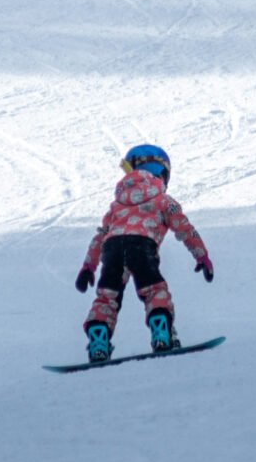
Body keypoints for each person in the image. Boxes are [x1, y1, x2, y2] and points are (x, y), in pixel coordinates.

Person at [76, 143, 213, 364]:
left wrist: (88, 267)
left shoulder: (116, 206)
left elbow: (100, 236)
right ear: (161, 173)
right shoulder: (163, 200)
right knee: (153, 290)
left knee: (107, 297)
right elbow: (184, 227)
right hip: (142, 246)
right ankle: (161, 332)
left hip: (112, 249)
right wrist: (202, 256)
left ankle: (98, 342)